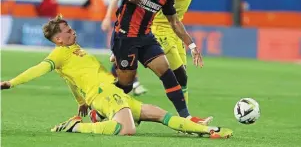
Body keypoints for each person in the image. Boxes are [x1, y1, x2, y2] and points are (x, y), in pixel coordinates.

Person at [0, 15, 232, 138]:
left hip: (114, 92)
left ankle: (209, 131)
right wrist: (11, 82)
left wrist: (80, 102)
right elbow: (38, 69)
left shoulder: (74, 52)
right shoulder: (59, 54)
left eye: (70, 27)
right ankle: (75, 128)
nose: (72, 31)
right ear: (58, 39)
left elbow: (70, 79)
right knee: (127, 129)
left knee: (161, 114)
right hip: (104, 95)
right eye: (67, 30)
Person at [100, 0, 210, 124]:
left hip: (146, 38)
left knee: (168, 74)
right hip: (125, 38)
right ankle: (99, 110)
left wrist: (192, 45)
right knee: (126, 85)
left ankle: (187, 118)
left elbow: (174, 22)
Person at [148, 0, 225, 106]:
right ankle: (185, 118)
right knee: (180, 75)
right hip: (159, 26)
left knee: (183, 79)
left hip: (177, 27)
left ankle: (185, 119)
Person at [101, 0, 155, 96]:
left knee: (123, 55)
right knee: (127, 52)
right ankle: (134, 83)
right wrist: (107, 17)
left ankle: (111, 84)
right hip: (125, 21)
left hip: (139, 22)